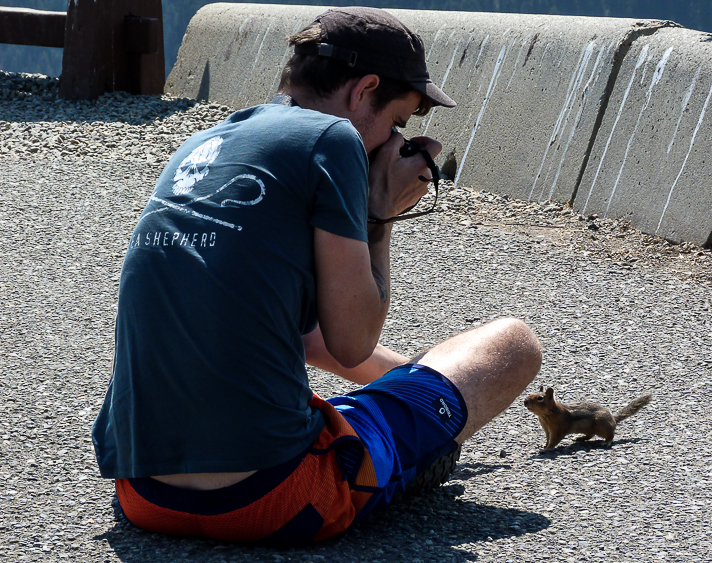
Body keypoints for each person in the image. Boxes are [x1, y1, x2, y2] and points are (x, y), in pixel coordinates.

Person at [92, 7, 542, 545]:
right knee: (513, 343)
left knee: (396, 391)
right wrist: (380, 215)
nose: (392, 141)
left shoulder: (211, 141)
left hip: (144, 494)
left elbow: (311, 341)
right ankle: (406, 458)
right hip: (276, 496)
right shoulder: (334, 140)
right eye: (398, 123)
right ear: (364, 90)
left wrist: (427, 381)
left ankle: (415, 421)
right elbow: (351, 345)